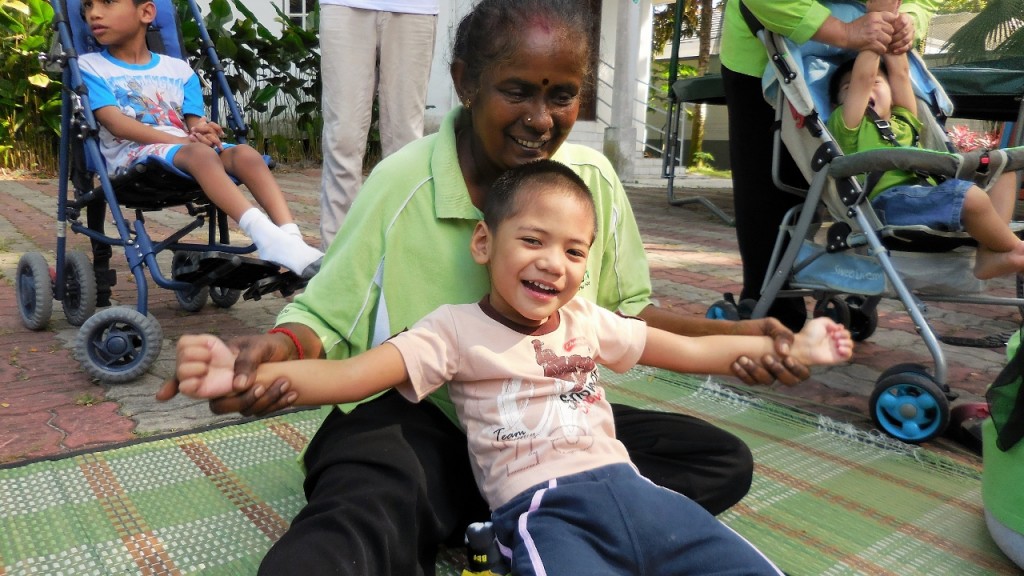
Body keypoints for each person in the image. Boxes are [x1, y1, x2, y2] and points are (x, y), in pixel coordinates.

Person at [158, 1, 817, 573]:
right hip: (422, 419)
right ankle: (489, 515)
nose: (540, 117)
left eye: (561, 95)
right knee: (362, 512)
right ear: (465, 82)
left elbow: (627, 319)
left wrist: (739, 336)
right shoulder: (403, 178)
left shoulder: (589, 182)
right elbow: (325, 318)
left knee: (717, 458)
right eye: (517, 91)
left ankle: (519, 513)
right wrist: (274, 354)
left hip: (543, 424)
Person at [174, 160, 854, 575]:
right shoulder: (452, 329)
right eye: (533, 240)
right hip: (543, 509)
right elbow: (353, 377)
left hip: (636, 492)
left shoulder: (587, 318)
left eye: (574, 250)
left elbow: (690, 353)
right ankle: (489, 538)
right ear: (483, 241)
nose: (554, 263)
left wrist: (787, 349)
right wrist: (246, 372)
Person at [719, 0, 938, 331]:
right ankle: (773, 309)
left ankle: (855, 295)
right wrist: (848, 31)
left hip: (874, 39)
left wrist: (906, 20)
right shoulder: (851, 112)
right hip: (779, 39)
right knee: (772, 197)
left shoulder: (904, 116)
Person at [78, 0, 324, 278]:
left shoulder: (179, 70)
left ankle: (292, 238)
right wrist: (186, 143)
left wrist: (204, 131)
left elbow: (193, 123)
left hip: (186, 151)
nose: (93, 13)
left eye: (107, 3)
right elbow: (116, 123)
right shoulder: (91, 66)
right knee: (202, 154)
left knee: (245, 154)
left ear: (146, 12)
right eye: (87, 6)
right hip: (133, 156)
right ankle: (265, 236)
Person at [826, 0, 1023, 280]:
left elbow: (900, 72)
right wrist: (876, 18)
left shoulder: (905, 118)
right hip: (889, 203)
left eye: (878, 84)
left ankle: (989, 253)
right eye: (848, 89)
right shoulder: (848, 125)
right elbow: (862, 76)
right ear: (837, 104)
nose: (869, 86)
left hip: (928, 195)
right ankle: (1013, 249)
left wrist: (892, 21)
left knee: (1005, 169)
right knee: (970, 198)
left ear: (892, 95)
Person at [317, 0, 438, 250]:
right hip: (344, 5)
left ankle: (400, 254)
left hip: (414, 8)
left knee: (406, 145)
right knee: (342, 138)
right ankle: (337, 257)